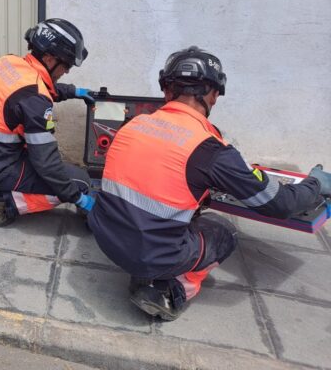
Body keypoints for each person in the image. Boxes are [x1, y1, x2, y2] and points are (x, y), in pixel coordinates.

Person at [87, 46, 331, 321]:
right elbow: (280, 204)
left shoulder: (132, 124)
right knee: (223, 231)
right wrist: (313, 184)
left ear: (167, 91)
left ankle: (151, 266)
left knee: (184, 212)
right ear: (213, 95)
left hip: (105, 239)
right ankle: (170, 291)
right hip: (148, 255)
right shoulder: (210, 149)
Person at [0, 18, 96, 227]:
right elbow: (48, 165)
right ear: (50, 59)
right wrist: (77, 197)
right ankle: (2, 203)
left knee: (52, 168)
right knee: (80, 182)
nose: (67, 71)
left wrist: (74, 91)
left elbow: (31, 92)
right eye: (67, 65)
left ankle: (3, 191)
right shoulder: (35, 98)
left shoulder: (8, 63)